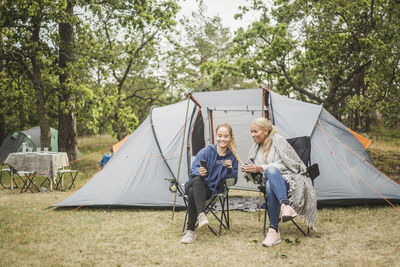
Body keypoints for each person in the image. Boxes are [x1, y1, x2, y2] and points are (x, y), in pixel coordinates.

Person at [241, 118, 317, 247]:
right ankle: (285, 207)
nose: (252, 135)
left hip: (289, 179)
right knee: (270, 184)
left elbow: (287, 164)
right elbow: (258, 171)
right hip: (270, 183)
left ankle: (273, 231)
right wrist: (250, 169)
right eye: (251, 132)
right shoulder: (256, 147)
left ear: (265, 131)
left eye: (255, 131)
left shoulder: (278, 140)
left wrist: (261, 168)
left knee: (271, 170)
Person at [181, 123, 239, 244]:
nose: (222, 139)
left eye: (226, 136)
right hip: (193, 183)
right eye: (220, 135)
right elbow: (194, 169)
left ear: (230, 137)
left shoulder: (231, 157)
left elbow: (232, 179)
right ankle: (201, 214)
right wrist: (199, 171)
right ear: (216, 136)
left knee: (192, 193)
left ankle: (190, 231)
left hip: (210, 191)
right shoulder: (207, 151)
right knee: (197, 181)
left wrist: (229, 169)